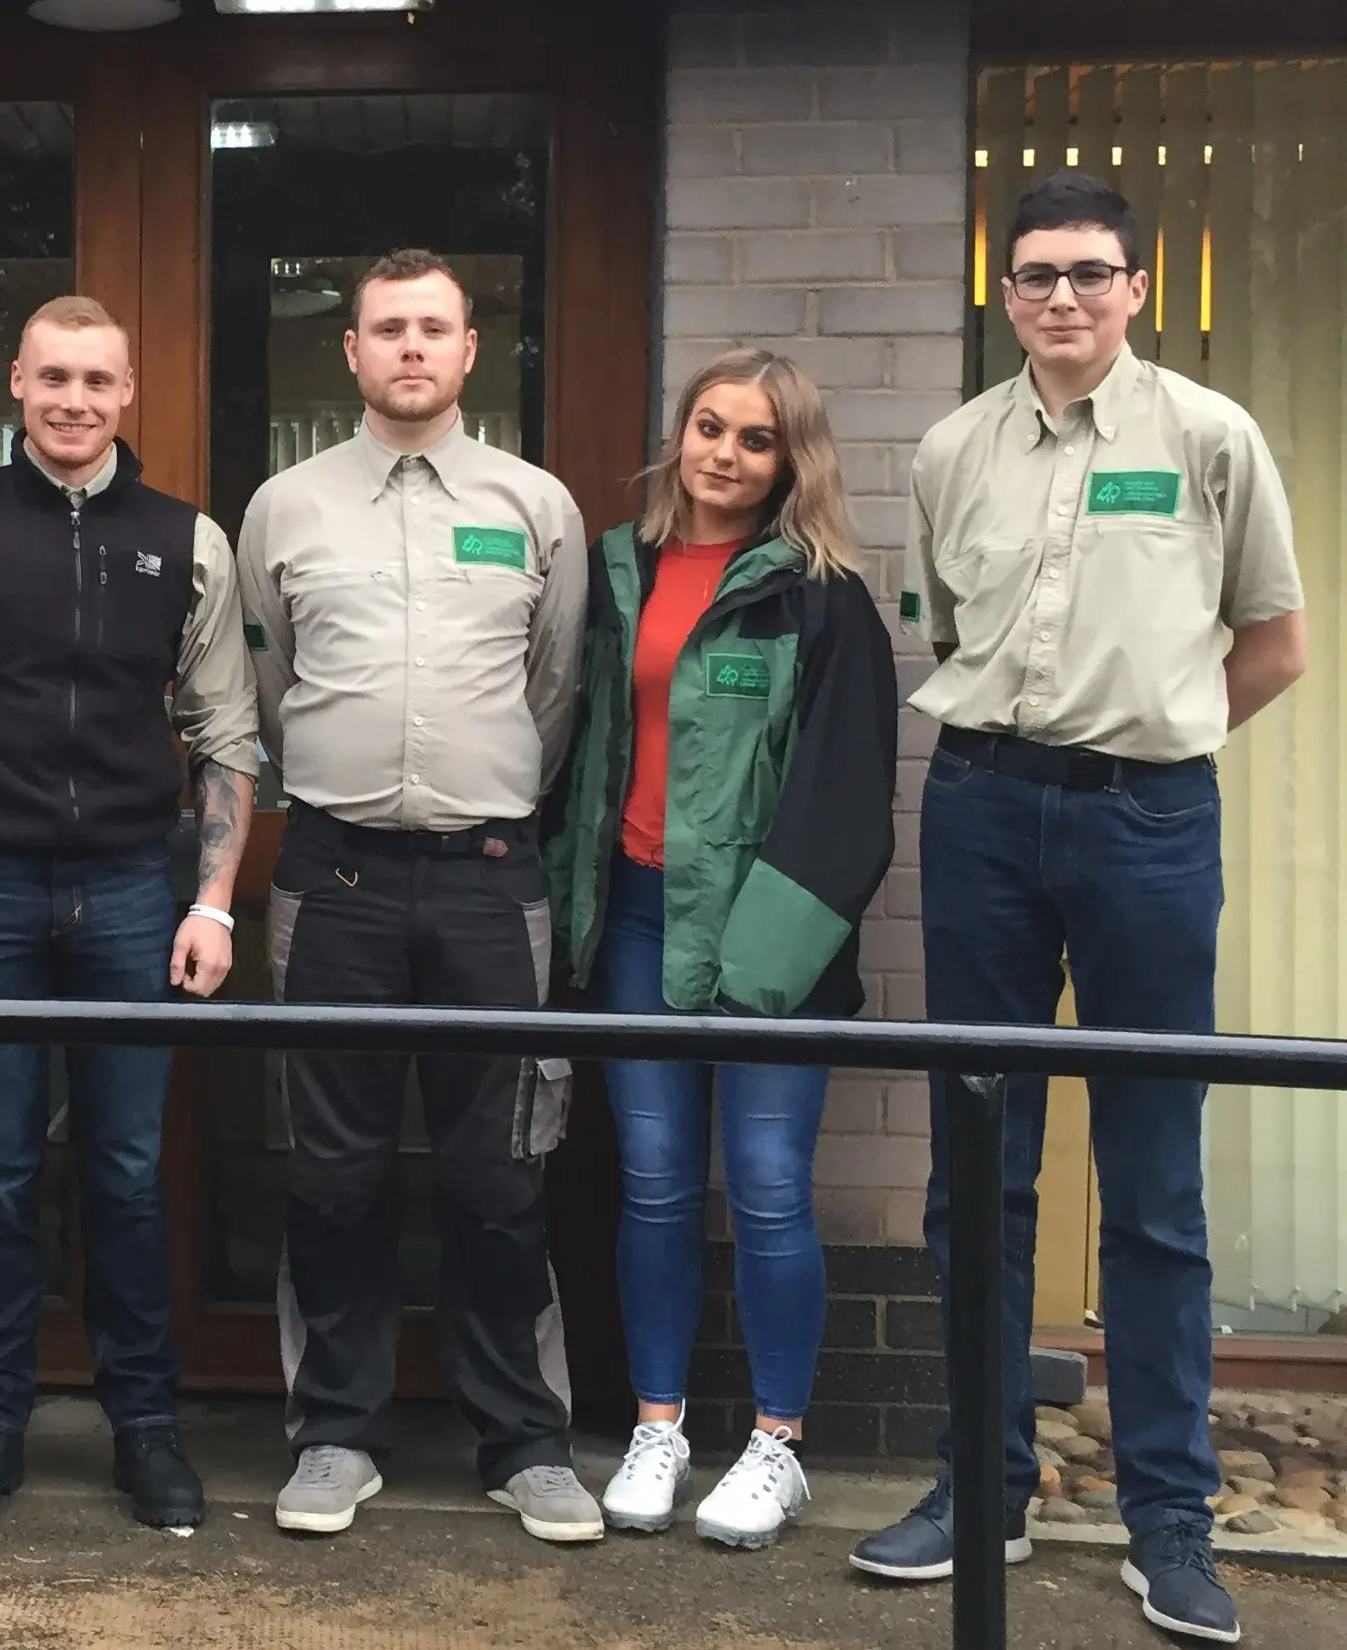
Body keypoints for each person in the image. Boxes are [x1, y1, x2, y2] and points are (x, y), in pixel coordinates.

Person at [851, 171, 1306, 1646]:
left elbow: (1276, 642)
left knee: (1155, 1177)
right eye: (1035, 275)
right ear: (1006, 290)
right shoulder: (951, 448)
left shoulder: (1209, 439)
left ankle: (1169, 1520)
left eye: (1089, 273)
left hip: (1149, 821)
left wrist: (1154, 744)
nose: (1061, 298)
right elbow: (951, 628)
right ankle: (979, 1485)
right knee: (975, 1158)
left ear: (1135, 287)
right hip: (982, 807)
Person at [0, 295, 261, 1532]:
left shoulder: (185, 539)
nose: (74, 400)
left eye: (97, 379)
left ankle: (146, 1429)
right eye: (52, 378)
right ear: (16, 385)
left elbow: (227, 733)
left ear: (127, 390)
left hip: (137, 885)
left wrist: (215, 903)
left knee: (130, 1173)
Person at [236, 249, 594, 1543]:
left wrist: (480, 794)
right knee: (332, 1173)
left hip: (493, 882)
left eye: (432, 328)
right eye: (387, 328)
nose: (410, 349)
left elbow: (551, 697)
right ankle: (335, 1431)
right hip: (331, 875)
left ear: (468, 348)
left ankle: (526, 1442)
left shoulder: (537, 504)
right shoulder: (283, 508)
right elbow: (271, 688)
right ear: (350, 351)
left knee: (502, 1171)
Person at [547, 349, 897, 1550]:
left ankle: (777, 1443)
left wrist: (761, 968)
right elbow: (583, 750)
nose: (726, 455)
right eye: (710, 427)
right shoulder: (618, 571)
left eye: (757, 440)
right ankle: (659, 1425)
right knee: (650, 1187)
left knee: (767, 1191)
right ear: (679, 433)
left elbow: (847, 799)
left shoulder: (825, 599)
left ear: (790, 462)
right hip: (640, 918)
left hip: (770, 940)